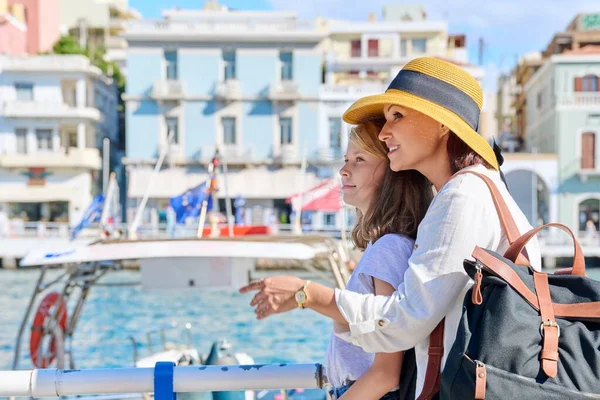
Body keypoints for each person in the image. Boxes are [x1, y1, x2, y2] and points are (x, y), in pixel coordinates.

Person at [240, 57, 542, 398]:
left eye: (397, 116)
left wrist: (306, 293)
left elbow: (404, 321)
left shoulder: (463, 195)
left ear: (442, 124)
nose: (385, 133)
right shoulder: (479, 190)